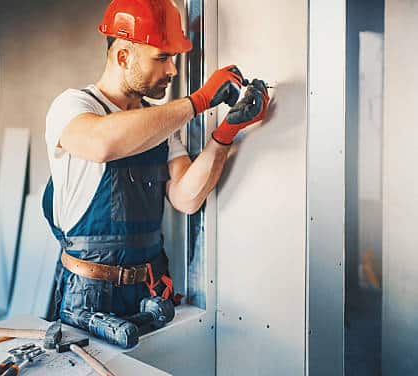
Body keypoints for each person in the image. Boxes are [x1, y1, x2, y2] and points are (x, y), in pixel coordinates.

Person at [43, 0, 269, 328]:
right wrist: (199, 101)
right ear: (123, 57)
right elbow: (101, 143)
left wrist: (225, 133)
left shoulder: (158, 126)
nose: (172, 71)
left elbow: (187, 197)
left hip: (149, 289)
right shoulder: (73, 105)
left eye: (173, 59)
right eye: (162, 58)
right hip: (89, 293)